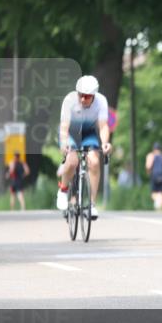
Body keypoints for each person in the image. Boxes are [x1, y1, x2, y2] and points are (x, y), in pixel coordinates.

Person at [57, 75, 112, 218]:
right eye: (80, 95)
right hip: (70, 131)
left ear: (94, 95)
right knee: (73, 160)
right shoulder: (69, 100)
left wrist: (105, 143)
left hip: (88, 132)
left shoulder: (101, 101)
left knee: (94, 161)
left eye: (87, 96)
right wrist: (64, 143)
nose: (83, 99)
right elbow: (64, 127)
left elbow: (103, 126)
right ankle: (63, 190)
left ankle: (92, 205)